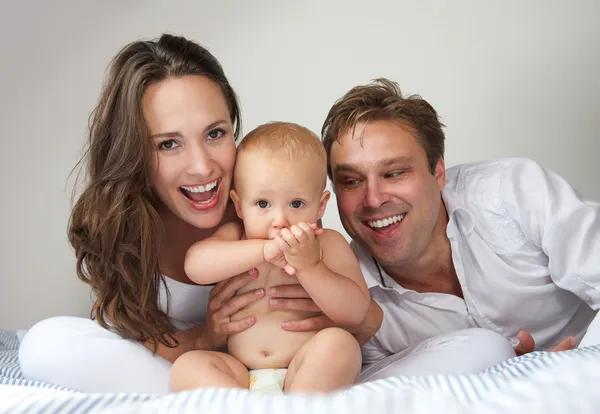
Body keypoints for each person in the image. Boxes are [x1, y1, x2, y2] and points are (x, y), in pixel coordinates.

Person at [17, 34, 516, 394]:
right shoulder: (133, 234)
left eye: (215, 133)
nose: (202, 165)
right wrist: (207, 336)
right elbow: (159, 336)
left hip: (315, 372)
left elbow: (363, 322)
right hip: (217, 375)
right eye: (168, 143)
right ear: (134, 154)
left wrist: (328, 294)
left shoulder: (268, 191)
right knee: (45, 345)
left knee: (484, 349)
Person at [318, 78, 600, 381]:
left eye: (394, 173)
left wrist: (564, 374)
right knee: (484, 349)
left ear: (438, 172)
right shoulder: (343, 294)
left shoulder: (514, 192)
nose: (373, 200)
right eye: (351, 181)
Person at [170, 122, 370, 394]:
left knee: (339, 345)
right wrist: (261, 251)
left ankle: (299, 406)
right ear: (239, 205)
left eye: (297, 204)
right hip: (240, 374)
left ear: (320, 205)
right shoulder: (237, 236)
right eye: (263, 204)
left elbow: (357, 312)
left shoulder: (326, 243)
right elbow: (196, 265)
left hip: (305, 369)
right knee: (188, 366)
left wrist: (311, 267)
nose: (280, 221)